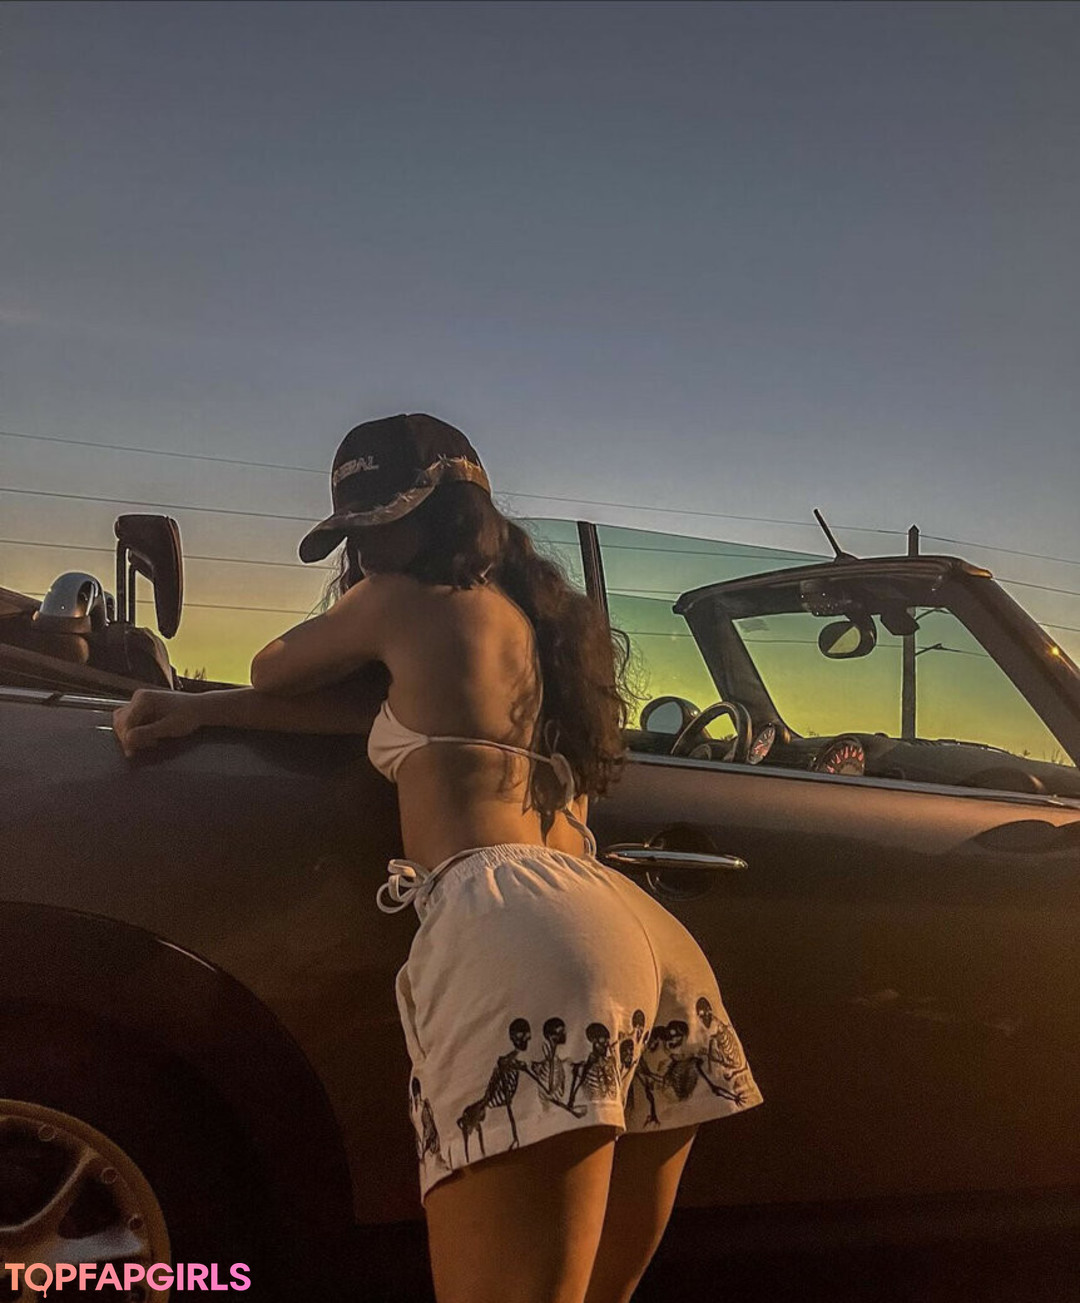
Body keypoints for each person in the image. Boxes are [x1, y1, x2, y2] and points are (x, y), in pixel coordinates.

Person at [112, 413, 763, 1303]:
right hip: (637, 933)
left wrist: (257, 669)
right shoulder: (536, 634)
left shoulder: (393, 601)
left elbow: (272, 668)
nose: (370, 552)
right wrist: (200, 711)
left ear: (453, 513)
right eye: (357, 535)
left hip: (521, 934)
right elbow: (383, 716)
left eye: (384, 525)